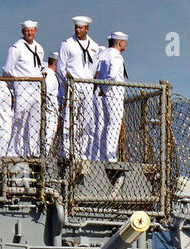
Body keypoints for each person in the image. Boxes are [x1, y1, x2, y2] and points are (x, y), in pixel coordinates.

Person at [57, 16, 100, 159]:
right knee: (70, 119)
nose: (77, 30)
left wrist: (92, 84)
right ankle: (67, 150)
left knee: (86, 120)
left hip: (87, 85)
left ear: (87, 29)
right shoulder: (67, 44)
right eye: (76, 27)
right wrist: (66, 85)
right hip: (72, 85)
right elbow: (61, 68)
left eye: (81, 28)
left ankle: (82, 151)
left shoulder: (94, 46)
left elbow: (94, 69)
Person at [2, 19, 46, 157]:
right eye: (27, 31)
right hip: (22, 87)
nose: (29, 33)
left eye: (32, 30)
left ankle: (32, 150)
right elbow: (8, 69)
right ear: (23, 32)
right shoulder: (16, 48)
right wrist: (15, 86)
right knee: (19, 118)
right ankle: (14, 151)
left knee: (35, 120)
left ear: (36, 31)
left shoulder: (39, 48)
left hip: (36, 88)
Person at [95, 31, 128, 162]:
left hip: (106, 93)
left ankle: (104, 154)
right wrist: (106, 88)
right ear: (120, 43)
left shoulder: (105, 54)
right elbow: (112, 75)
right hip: (114, 93)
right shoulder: (117, 57)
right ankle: (110, 155)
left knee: (107, 124)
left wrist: (103, 89)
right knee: (114, 124)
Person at [43, 55, 62, 153]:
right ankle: (44, 154)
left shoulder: (46, 73)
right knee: (48, 135)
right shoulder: (49, 75)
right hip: (50, 110)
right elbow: (47, 92)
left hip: (49, 109)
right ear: (55, 63)